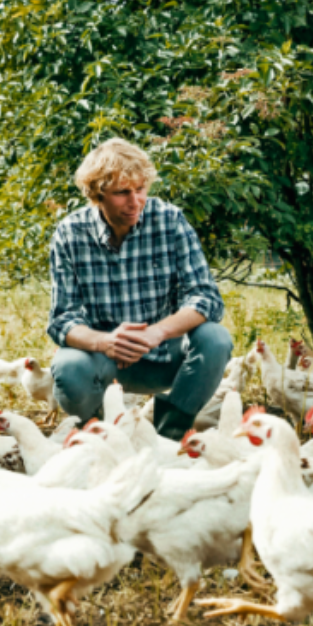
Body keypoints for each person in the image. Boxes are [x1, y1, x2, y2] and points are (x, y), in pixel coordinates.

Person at [48, 138, 232, 440]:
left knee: (215, 338)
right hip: (103, 360)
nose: (135, 201)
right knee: (69, 367)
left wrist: (156, 333)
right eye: (122, 192)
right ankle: (94, 432)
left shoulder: (170, 220)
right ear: (97, 194)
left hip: (164, 354)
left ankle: (169, 435)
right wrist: (105, 342)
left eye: (141, 189)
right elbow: (61, 319)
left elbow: (206, 297)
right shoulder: (70, 233)